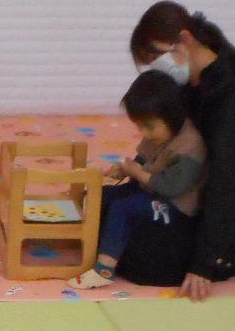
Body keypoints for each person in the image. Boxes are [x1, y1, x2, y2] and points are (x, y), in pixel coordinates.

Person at [128, 3, 235, 301]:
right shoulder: (191, 85)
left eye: (157, 55)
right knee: (117, 226)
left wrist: (204, 262)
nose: (156, 65)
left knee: (143, 262)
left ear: (185, 39)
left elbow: (231, 183)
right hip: (198, 199)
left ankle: (218, 253)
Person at [70, 71, 205, 291]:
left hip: (174, 206)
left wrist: (136, 172)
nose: (144, 132)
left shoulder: (190, 146)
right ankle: (82, 241)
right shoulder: (158, 133)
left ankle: (104, 269)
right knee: (99, 195)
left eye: (149, 126)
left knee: (124, 209)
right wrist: (125, 169)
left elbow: (172, 187)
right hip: (149, 188)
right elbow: (144, 156)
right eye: (140, 126)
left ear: (171, 116)